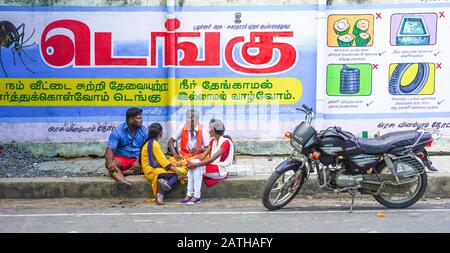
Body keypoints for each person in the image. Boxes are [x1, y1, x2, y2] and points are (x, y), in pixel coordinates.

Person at [180, 119, 234, 205]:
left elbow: (212, 159)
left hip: (221, 170)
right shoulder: (213, 141)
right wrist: (190, 160)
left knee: (197, 167)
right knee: (193, 166)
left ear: (214, 131)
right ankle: (189, 194)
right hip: (213, 167)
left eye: (210, 130)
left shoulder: (226, 143)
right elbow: (203, 156)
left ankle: (196, 196)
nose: (209, 131)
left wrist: (195, 164)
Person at [141, 123, 187, 205]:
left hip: (151, 169)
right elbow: (164, 163)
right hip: (151, 171)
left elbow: (161, 159)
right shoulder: (154, 143)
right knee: (182, 172)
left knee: (175, 167)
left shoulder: (150, 142)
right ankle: (161, 194)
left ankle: (164, 180)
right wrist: (177, 170)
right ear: (161, 133)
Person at [105, 107, 148, 186]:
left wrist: (138, 161)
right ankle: (122, 180)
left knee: (152, 165)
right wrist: (110, 162)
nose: (141, 120)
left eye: (141, 118)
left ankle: (125, 172)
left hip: (138, 159)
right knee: (110, 165)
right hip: (122, 158)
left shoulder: (144, 131)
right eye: (139, 118)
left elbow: (147, 149)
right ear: (131, 119)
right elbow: (110, 148)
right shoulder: (118, 131)